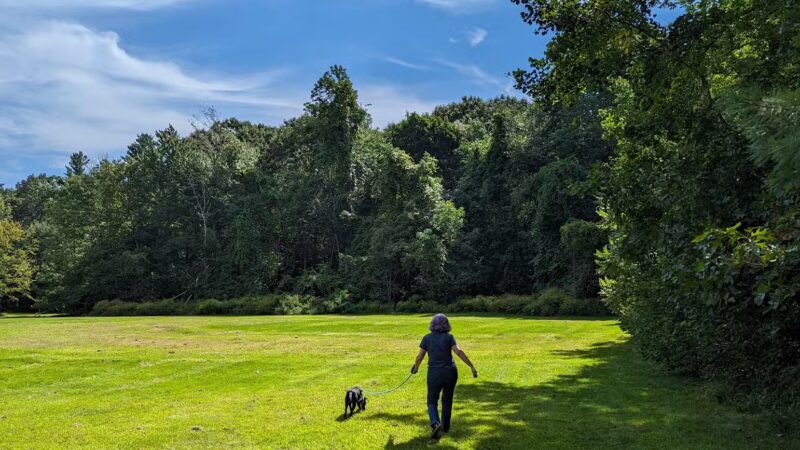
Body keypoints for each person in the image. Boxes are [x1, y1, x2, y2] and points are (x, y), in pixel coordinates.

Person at [410, 313, 477, 440]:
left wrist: (416, 367)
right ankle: (445, 427)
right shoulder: (449, 337)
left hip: (434, 373)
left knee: (432, 400)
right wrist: (471, 366)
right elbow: (458, 351)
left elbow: (420, 356)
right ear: (446, 325)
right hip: (450, 372)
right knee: (447, 400)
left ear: (432, 324)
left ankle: (435, 424)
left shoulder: (427, 338)